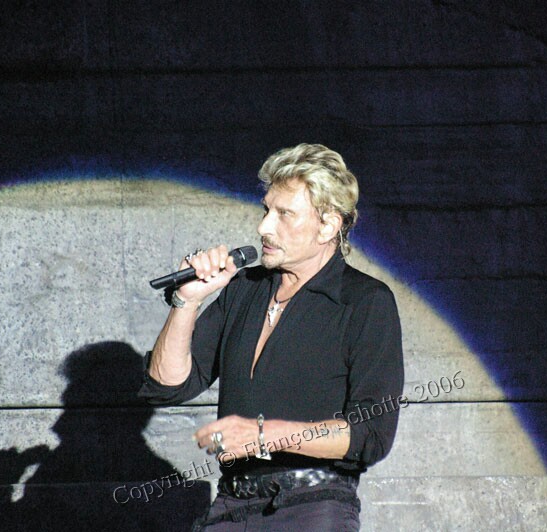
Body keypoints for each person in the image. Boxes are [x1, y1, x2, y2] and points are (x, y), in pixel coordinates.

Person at [139, 143, 404, 530]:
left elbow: (371, 434)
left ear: (328, 226)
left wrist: (263, 435)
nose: (264, 227)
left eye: (285, 214)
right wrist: (186, 301)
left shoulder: (363, 301)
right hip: (232, 504)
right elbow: (167, 386)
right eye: (266, 210)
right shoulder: (244, 288)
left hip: (312, 506)